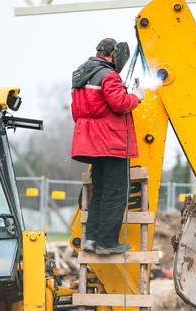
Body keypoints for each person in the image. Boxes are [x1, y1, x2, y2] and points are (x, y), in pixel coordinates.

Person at [70, 38, 144, 255]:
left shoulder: (81, 76)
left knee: (99, 191)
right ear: (112, 54)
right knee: (116, 191)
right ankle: (107, 243)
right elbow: (120, 104)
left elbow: (77, 113)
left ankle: (92, 240)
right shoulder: (109, 75)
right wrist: (136, 96)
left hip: (91, 143)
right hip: (111, 142)